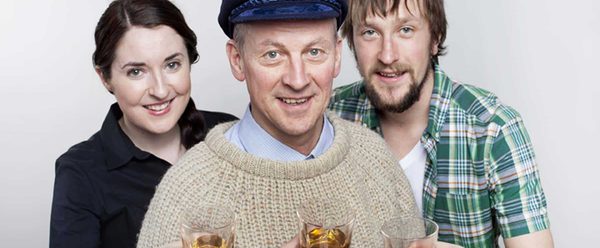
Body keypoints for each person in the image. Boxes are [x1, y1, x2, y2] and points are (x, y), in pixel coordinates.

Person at [136, 0, 419, 247]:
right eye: (273, 55)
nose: (297, 80)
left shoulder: (375, 158)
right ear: (237, 60)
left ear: (336, 55)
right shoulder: (186, 191)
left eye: (314, 52)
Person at [328, 0, 553, 247]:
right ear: (351, 43)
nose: (388, 55)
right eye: (370, 32)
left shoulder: (494, 129)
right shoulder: (331, 116)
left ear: (434, 39)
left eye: (406, 30)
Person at [49, 0, 237, 247]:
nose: (160, 90)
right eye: (136, 72)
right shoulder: (80, 172)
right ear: (105, 78)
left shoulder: (226, 132)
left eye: (172, 64)